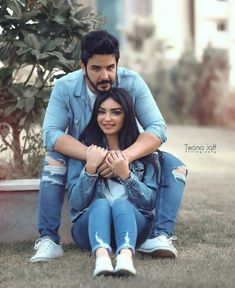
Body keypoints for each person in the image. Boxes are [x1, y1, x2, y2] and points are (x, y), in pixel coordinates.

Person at [30, 30, 187, 263]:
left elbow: (157, 128)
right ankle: (49, 240)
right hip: (83, 157)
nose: (105, 75)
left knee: (174, 164)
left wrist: (120, 158)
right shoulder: (65, 87)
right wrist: (94, 156)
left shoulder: (132, 82)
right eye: (96, 68)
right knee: (53, 159)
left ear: (117, 63)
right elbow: (51, 134)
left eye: (110, 67)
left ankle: (160, 236)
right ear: (83, 66)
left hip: (127, 156)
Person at [69, 88, 161, 276]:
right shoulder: (84, 150)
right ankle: (102, 259)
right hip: (87, 230)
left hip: (134, 228)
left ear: (127, 115)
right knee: (101, 204)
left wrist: (126, 176)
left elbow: (149, 203)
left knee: (121, 204)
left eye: (116, 112)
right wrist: (90, 169)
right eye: (102, 111)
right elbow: (76, 204)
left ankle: (125, 258)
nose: (107, 118)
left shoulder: (145, 154)